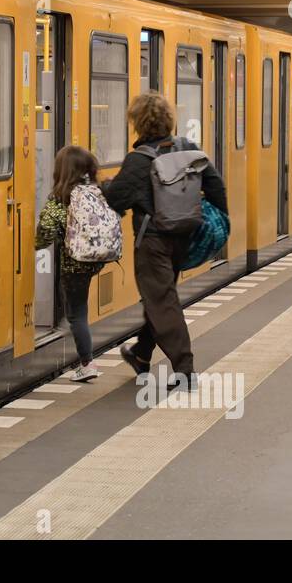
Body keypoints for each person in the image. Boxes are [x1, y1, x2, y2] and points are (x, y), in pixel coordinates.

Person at [101, 92, 227, 389]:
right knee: (160, 297)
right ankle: (141, 354)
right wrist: (214, 216)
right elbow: (216, 185)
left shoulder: (138, 160)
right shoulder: (187, 149)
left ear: (138, 123)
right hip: (184, 237)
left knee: (162, 300)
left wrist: (105, 185)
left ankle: (185, 368)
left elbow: (116, 199)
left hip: (153, 242)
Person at [34, 145, 107, 382]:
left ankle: (87, 363)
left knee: (76, 315)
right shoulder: (94, 192)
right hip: (94, 260)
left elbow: (45, 231)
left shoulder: (61, 198)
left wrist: (32, 244)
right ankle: (86, 360)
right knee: (78, 310)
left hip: (73, 264)